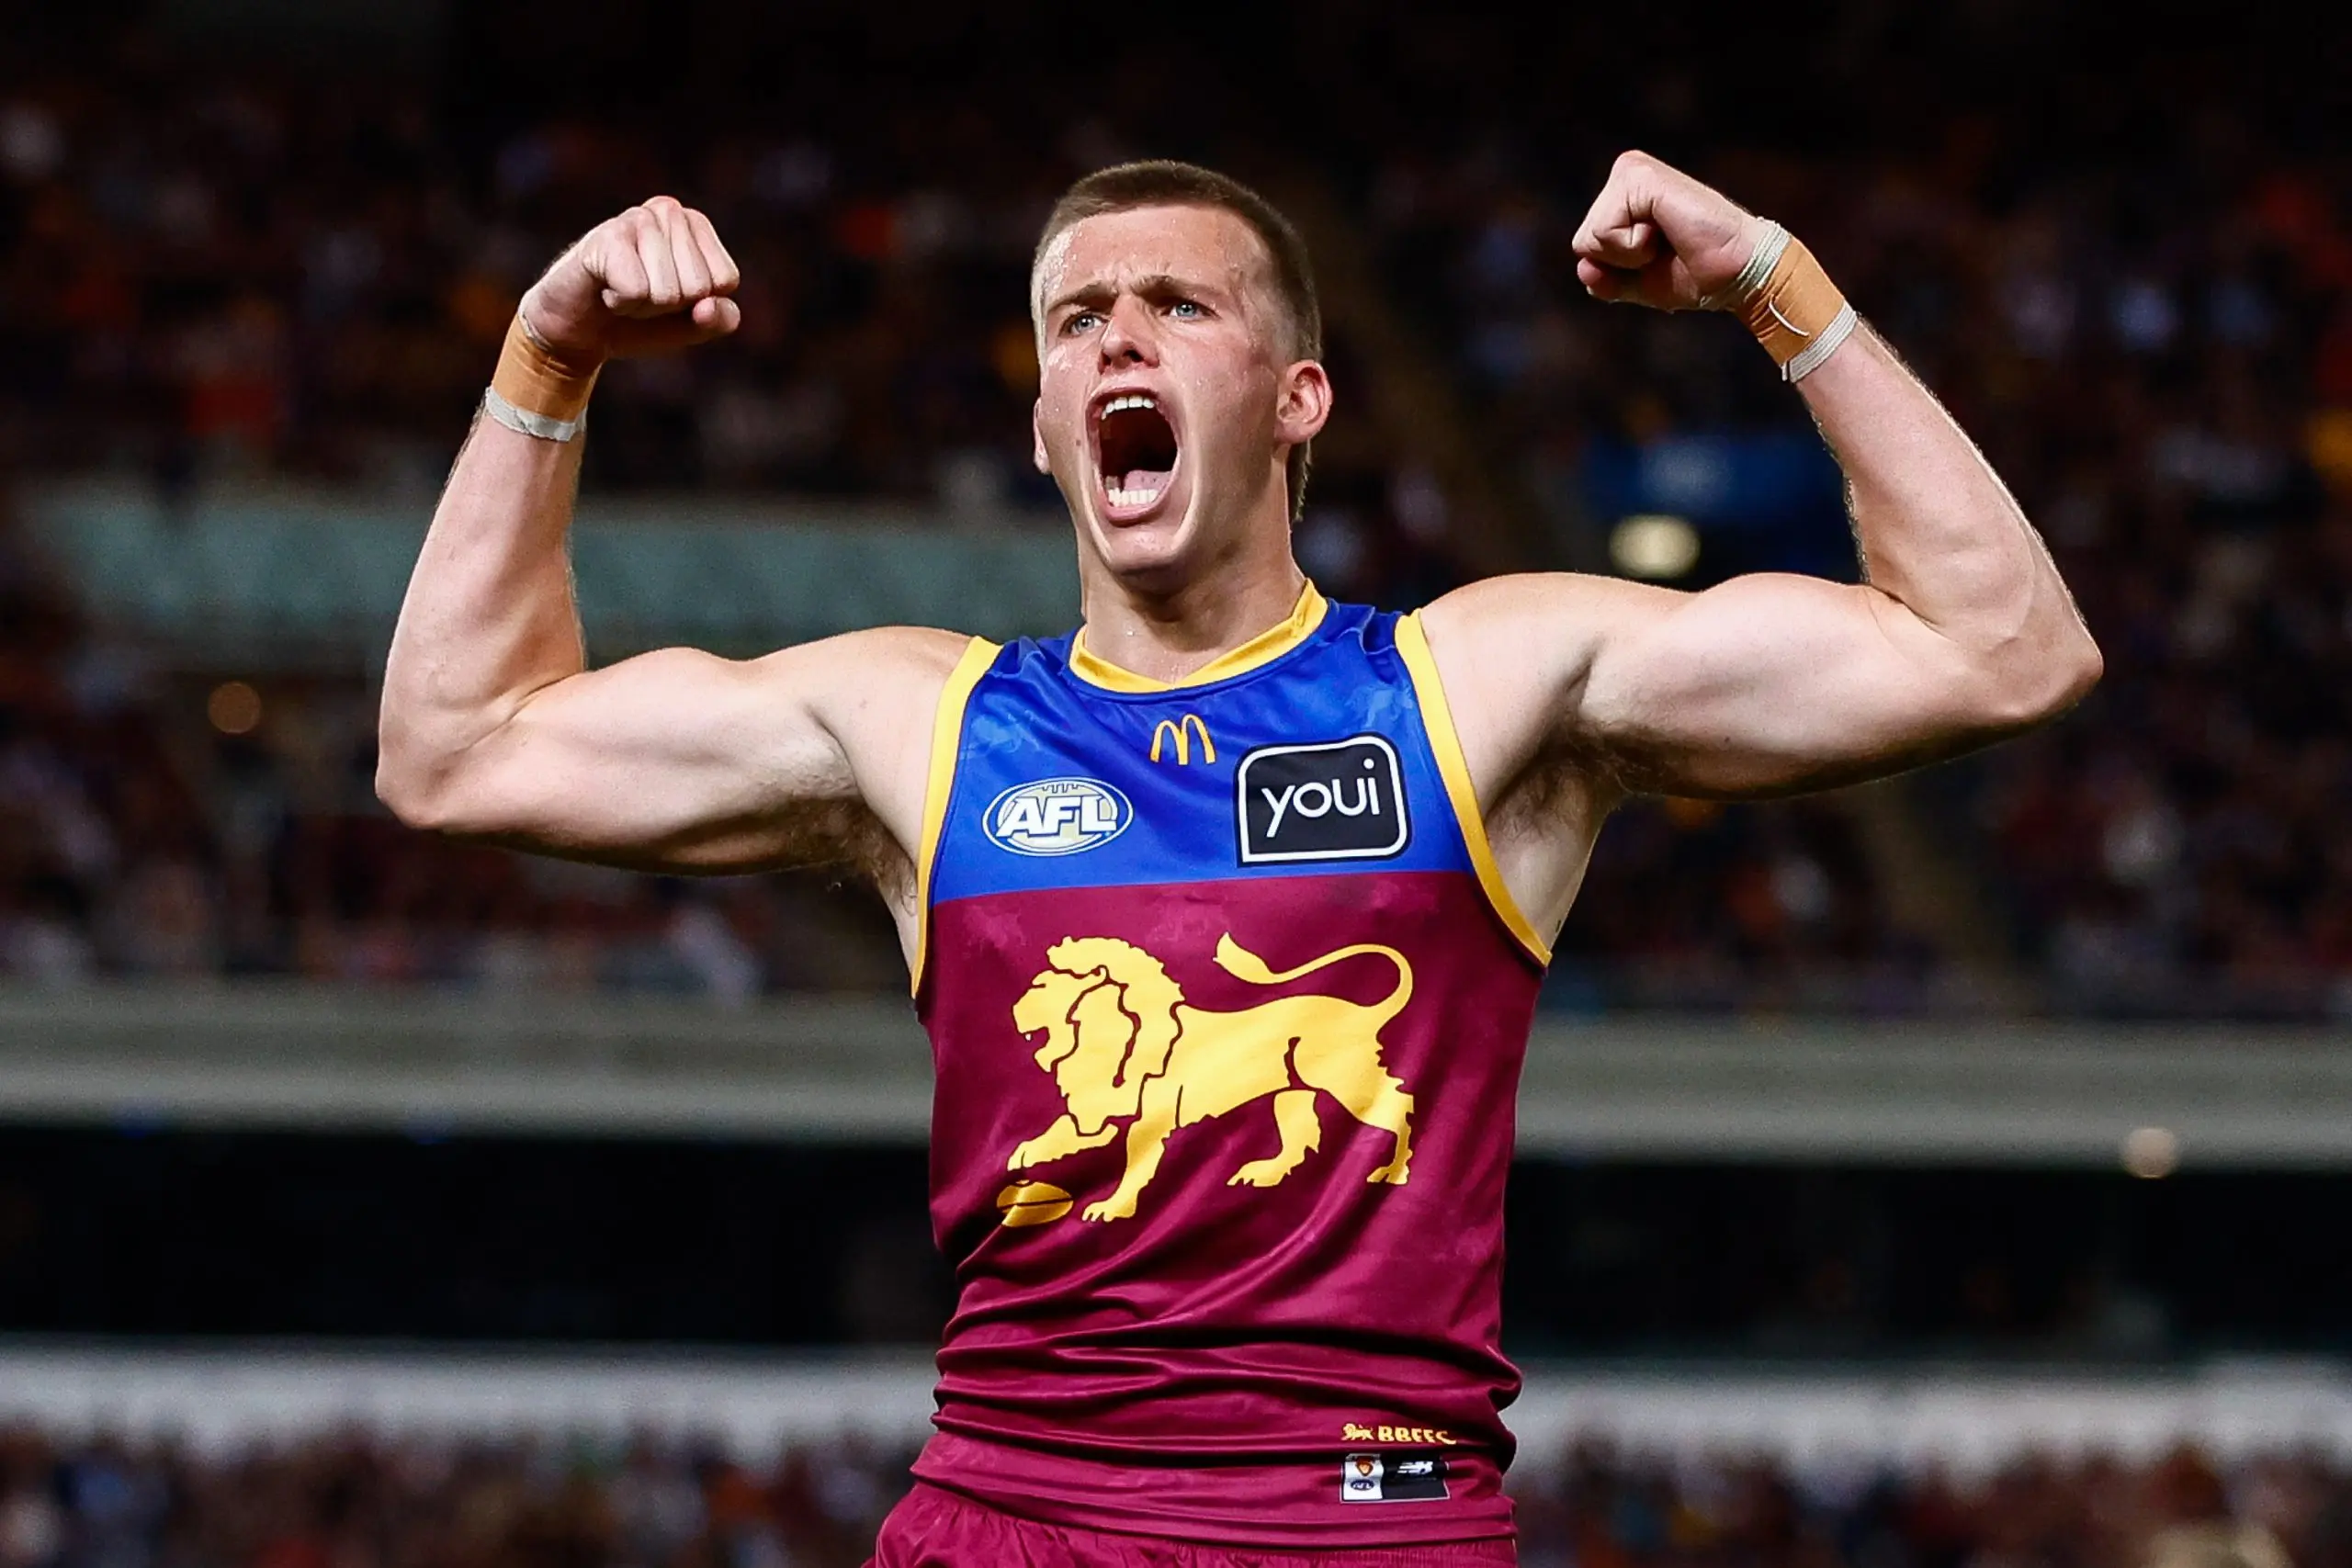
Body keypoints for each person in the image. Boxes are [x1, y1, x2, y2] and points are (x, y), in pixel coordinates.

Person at [378, 152, 2100, 1565]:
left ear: (1298, 399)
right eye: (1077, 321)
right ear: (1048, 425)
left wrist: (1772, 282)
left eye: (1175, 306)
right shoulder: (917, 728)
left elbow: (2004, 649)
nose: (1117, 336)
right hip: (1012, 1513)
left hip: (1365, 1518)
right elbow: (454, 750)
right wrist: (547, 360)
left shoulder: (1473, 688)